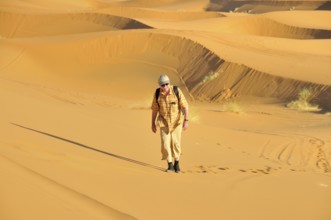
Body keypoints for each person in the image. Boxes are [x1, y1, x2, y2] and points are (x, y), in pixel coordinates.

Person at [151, 74, 189, 173]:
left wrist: (186, 120)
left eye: (167, 84)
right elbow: (155, 110)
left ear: (169, 83)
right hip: (163, 122)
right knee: (165, 143)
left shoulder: (176, 91)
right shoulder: (157, 94)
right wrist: (153, 123)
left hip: (177, 122)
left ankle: (177, 163)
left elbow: (185, 106)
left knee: (176, 143)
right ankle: (170, 165)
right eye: (162, 85)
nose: (165, 87)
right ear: (159, 85)